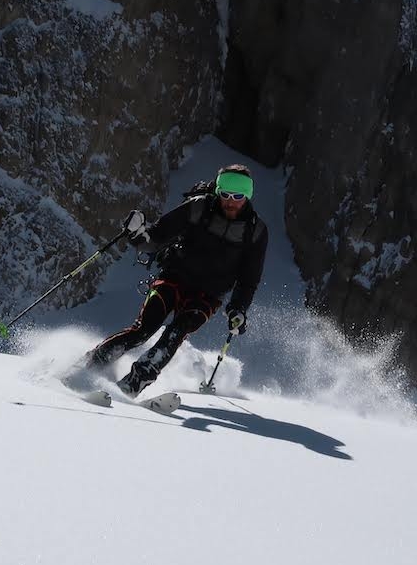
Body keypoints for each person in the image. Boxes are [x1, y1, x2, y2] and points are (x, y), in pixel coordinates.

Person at [69, 164, 268, 397]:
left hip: (207, 297)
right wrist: (137, 234)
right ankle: (86, 367)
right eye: (225, 194)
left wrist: (238, 308)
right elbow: (157, 236)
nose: (230, 202)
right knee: (144, 329)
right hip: (173, 280)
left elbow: (249, 279)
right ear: (218, 191)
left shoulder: (255, 232)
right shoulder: (198, 207)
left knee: (176, 332)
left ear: (247, 196)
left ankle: (133, 385)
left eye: (238, 196)